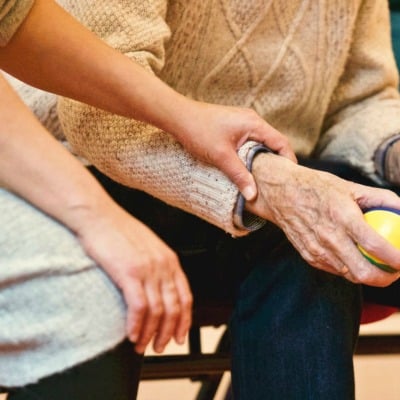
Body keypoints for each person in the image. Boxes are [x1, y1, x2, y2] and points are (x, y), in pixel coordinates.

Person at [5, 0, 400, 400]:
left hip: (273, 189)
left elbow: (361, 99)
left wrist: (392, 150)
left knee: (318, 232)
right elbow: (96, 112)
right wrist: (264, 179)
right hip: (93, 170)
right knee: (307, 232)